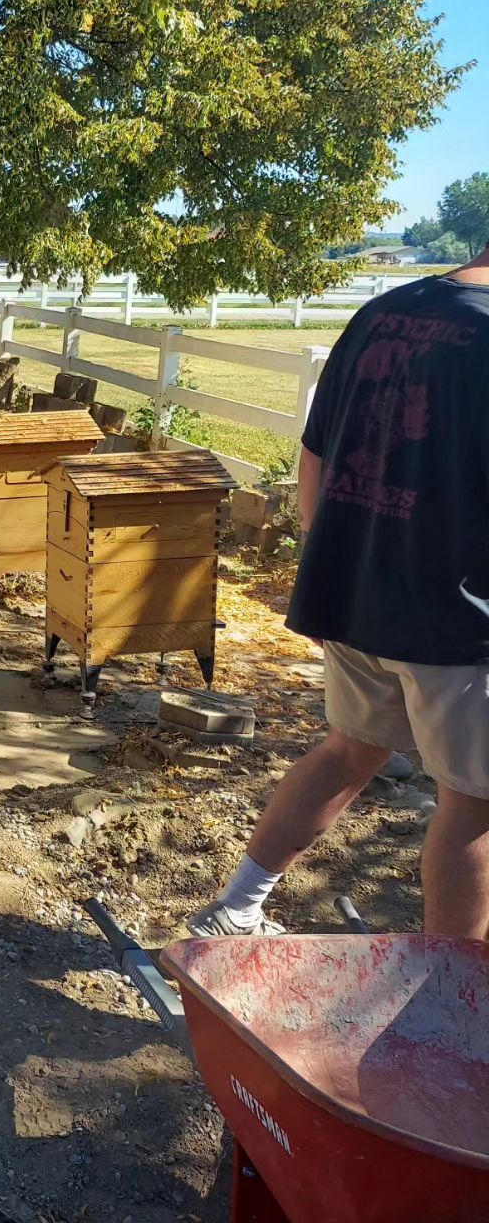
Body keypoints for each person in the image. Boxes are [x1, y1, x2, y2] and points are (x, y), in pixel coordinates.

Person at [190, 243, 489, 939]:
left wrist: (325, 568)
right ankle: (450, 1002)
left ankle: (235, 909)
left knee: (348, 751)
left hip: (356, 596)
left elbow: (315, 456)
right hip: (457, 619)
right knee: (475, 805)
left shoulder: (386, 311)